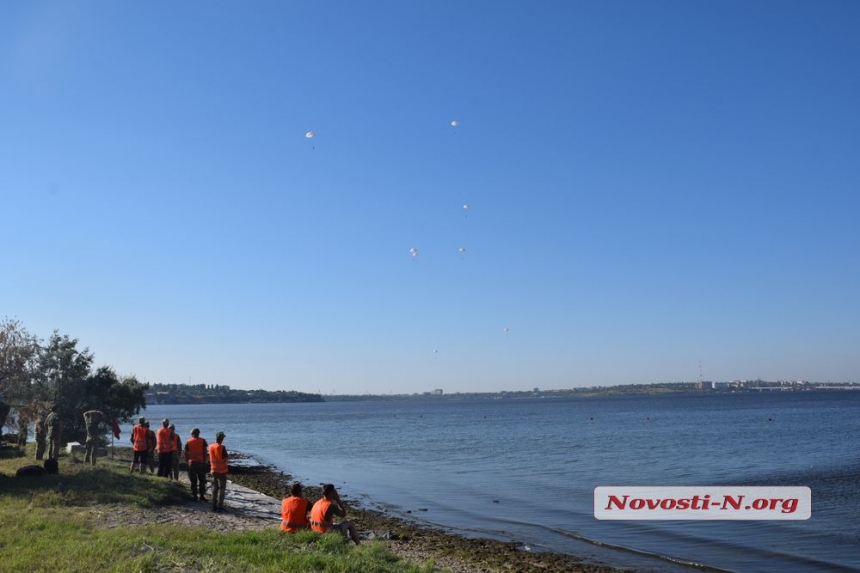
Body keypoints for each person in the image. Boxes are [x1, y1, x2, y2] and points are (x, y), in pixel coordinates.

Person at [184, 428, 209, 501]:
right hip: (200, 463)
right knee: (202, 480)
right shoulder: (202, 441)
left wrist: (187, 461)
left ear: (192, 434)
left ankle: (194, 495)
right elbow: (205, 452)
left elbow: (185, 453)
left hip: (191, 463)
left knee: (193, 480)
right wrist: (205, 462)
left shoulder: (188, 441)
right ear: (199, 433)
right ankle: (202, 495)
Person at [208, 431, 228, 511]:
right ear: (221, 438)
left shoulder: (210, 446)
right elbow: (225, 456)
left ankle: (213, 505)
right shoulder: (222, 447)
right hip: (222, 471)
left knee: (214, 489)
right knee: (222, 489)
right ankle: (220, 506)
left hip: (213, 470)